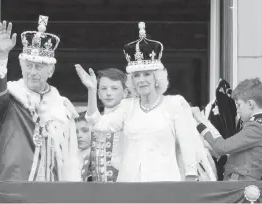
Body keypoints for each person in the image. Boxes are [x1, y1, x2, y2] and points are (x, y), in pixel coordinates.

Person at [76, 22, 216, 182]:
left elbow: (188, 146)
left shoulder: (174, 105)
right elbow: (97, 124)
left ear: (157, 78)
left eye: (146, 74)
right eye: (136, 76)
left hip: (165, 185)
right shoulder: (127, 107)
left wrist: (191, 177)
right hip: (130, 187)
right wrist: (92, 90)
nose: (141, 80)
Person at [0, 16, 81, 182]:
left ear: (51, 71)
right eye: (28, 66)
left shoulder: (62, 107)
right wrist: (1, 56)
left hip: (52, 188)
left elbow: (69, 156)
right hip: (14, 185)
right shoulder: (11, 98)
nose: (32, 72)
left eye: (38, 67)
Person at [193, 78, 262, 181]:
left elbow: (222, 147)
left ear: (250, 104)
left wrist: (201, 123)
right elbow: (238, 156)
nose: (237, 110)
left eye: (239, 105)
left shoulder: (256, 127)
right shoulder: (254, 126)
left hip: (242, 186)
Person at [89, 68, 128, 182]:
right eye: (104, 88)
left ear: (125, 93)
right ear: (99, 94)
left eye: (114, 88)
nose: (109, 93)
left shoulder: (129, 119)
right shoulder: (96, 120)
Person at [75, 111, 92, 181]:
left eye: (85, 131)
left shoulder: (97, 157)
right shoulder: (70, 157)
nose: (79, 135)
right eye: (76, 131)